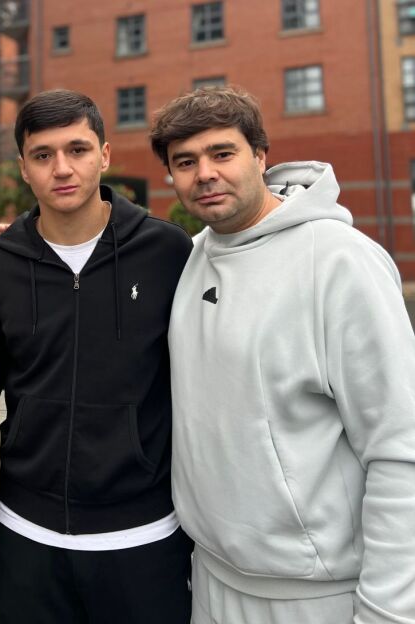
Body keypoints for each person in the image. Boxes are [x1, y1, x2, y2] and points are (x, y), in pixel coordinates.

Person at [149, 86, 415, 623]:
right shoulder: (190, 258)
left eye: (222, 153)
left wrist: (389, 609)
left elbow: (399, 447)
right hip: (211, 579)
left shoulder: (341, 262)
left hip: (317, 595)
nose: (205, 174)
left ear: (260, 156)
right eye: (186, 162)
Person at [0, 89, 194, 624]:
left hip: (142, 534)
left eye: (77, 149)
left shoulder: (168, 253)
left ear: (104, 155)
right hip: (24, 531)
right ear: (23, 168)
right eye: (42, 155)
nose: (62, 168)